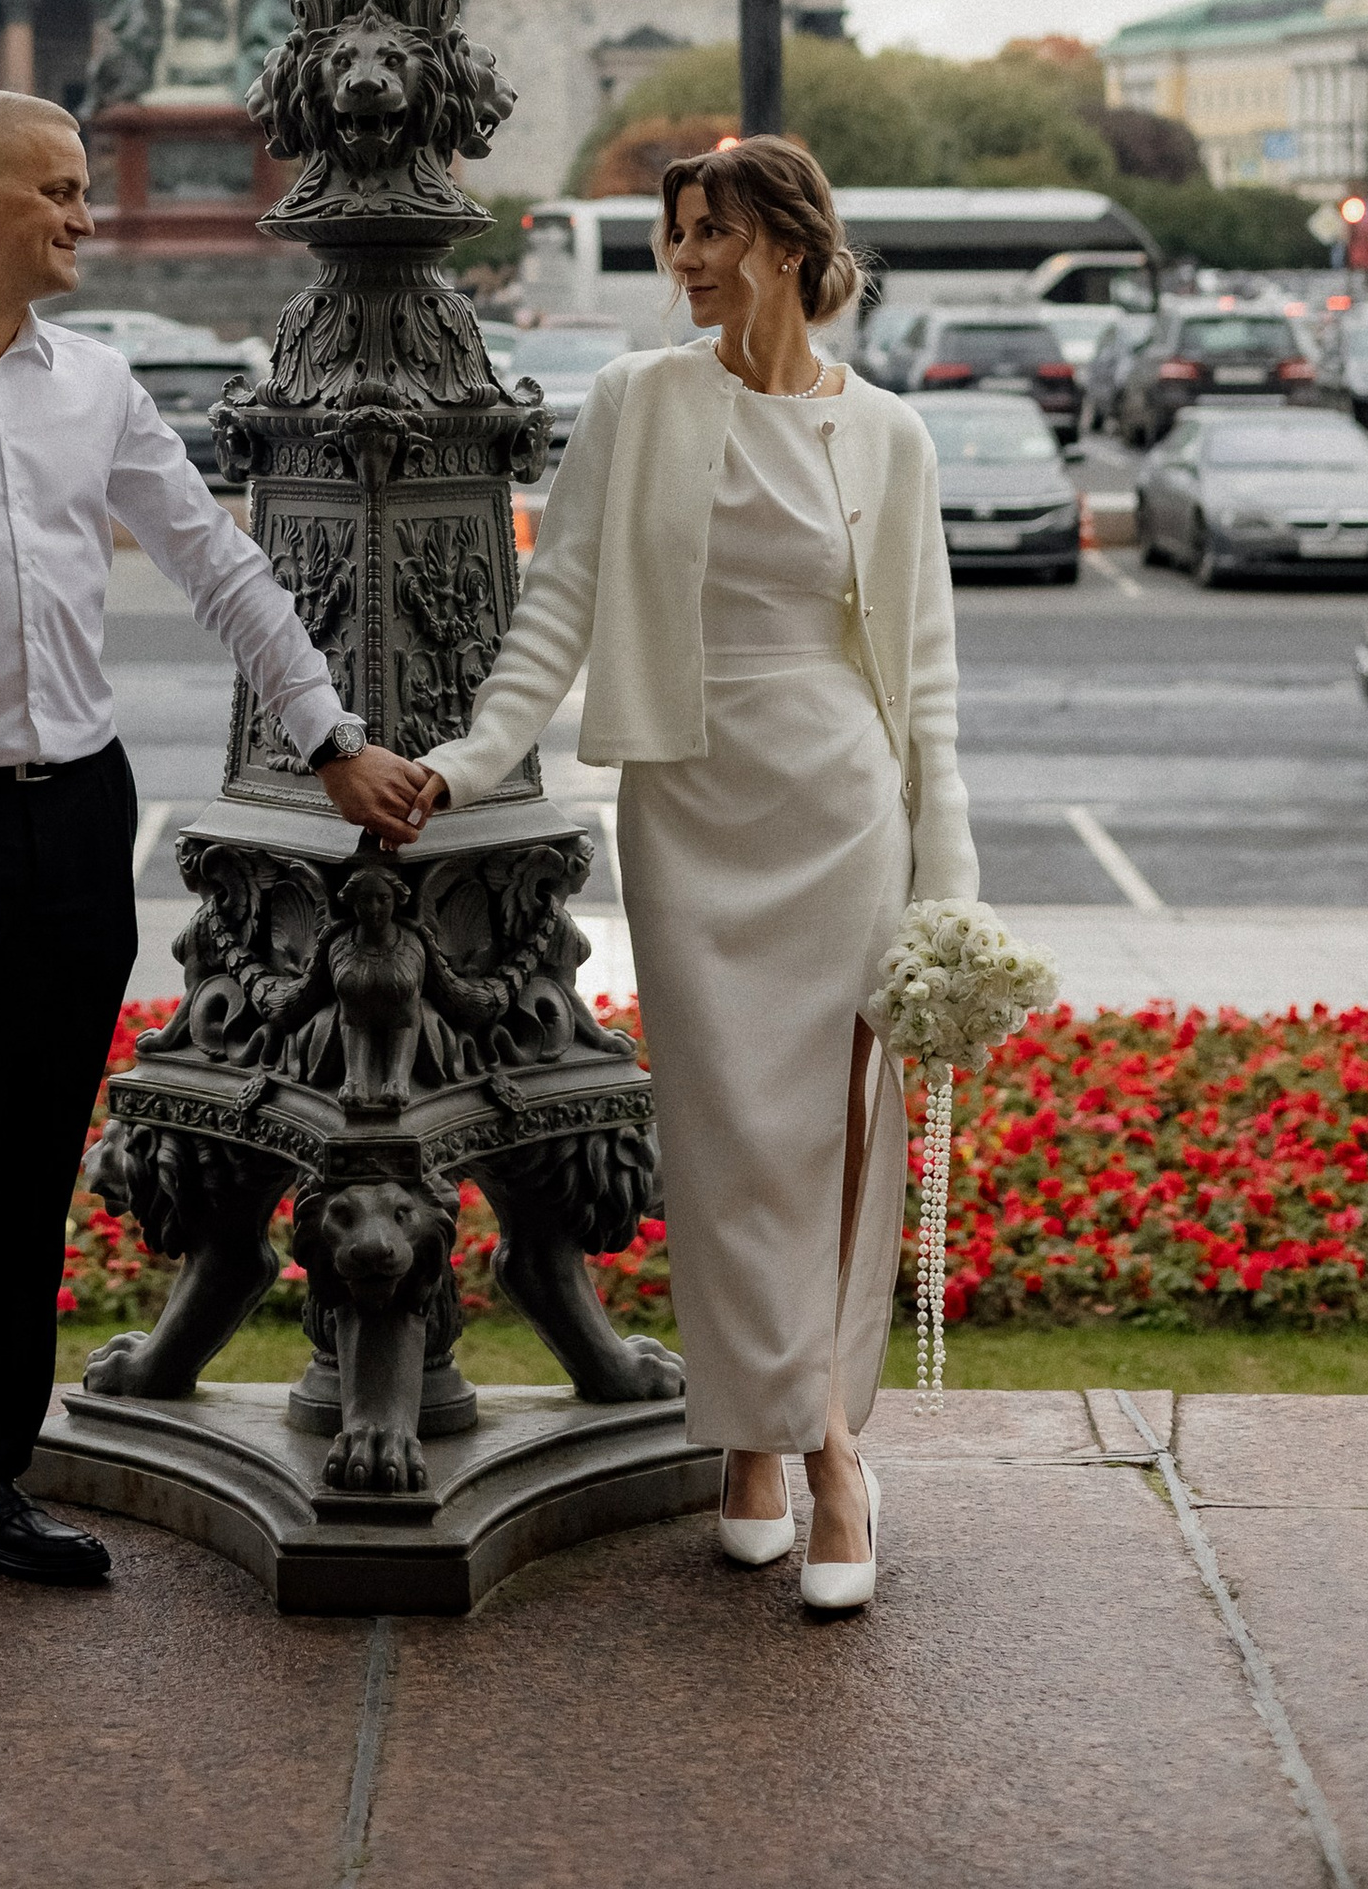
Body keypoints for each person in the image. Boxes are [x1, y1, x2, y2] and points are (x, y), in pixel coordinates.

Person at [0, 87, 425, 1620]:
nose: (82, 214)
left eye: (79, 190)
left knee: (26, 1166)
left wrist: (330, 740)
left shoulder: (97, 387)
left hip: (74, 819)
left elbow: (218, 562)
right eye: (54, 191)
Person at [407, 132, 973, 1619]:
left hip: (844, 809)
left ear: (787, 240)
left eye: (710, 232)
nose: (687, 261)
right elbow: (561, 610)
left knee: (837, 1136)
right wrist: (472, 760)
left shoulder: (894, 438)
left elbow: (926, 685)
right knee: (724, 1143)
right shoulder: (635, 404)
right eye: (675, 238)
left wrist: (950, 885)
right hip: (692, 811)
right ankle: (747, 1436)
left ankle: (826, 1450)